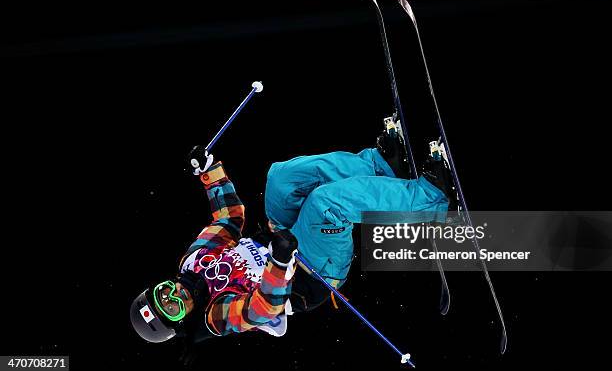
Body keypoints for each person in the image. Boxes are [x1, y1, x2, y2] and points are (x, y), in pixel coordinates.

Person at [130, 121, 452, 355]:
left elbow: (229, 219)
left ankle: (381, 168)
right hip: (310, 269)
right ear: (182, 321)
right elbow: (263, 309)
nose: (177, 295)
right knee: (323, 205)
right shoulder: (214, 315)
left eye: (164, 292)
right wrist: (279, 263)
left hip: (282, 236)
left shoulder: (194, 261)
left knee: (281, 178)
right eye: (173, 308)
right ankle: (430, 199)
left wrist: (210, 172)